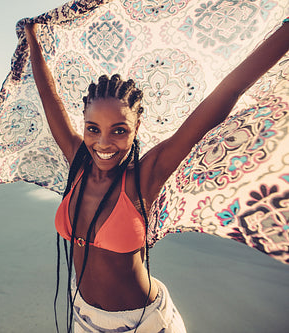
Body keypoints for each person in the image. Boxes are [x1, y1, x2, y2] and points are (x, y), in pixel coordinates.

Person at [24, 17, 289, 333]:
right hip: (82, 314)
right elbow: (47, 95)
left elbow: (228, 91)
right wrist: (32, 37)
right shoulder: (78, 160)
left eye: (119, 131)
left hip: (144, 325)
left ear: (136, 129)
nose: (104, 143)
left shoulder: (144, 177)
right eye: (93, 129)